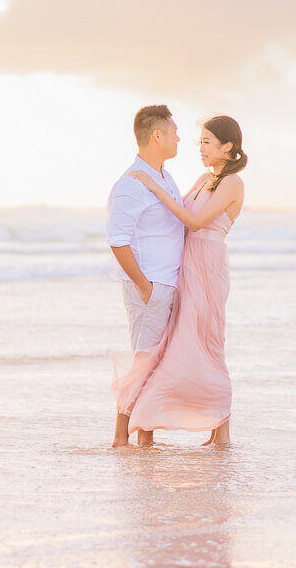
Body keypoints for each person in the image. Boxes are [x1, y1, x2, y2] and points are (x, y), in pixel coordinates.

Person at [115, 115, 247, 446]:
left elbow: (195, 220)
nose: (200, 149)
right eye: (198, 142)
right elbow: (177, 220)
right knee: (180, 345)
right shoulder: (206, 178)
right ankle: (155, 425)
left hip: (208, 269)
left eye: (206, 142)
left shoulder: (233, 183)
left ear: (227, 146)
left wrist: (154, 185)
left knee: (208, 343)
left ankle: (222, 431)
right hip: (186, 267)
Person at [107, 105, 184, 448]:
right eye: (174, 131)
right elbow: (118, 240)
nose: (178, 137)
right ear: (158, 135)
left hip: (168, 284)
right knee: (143, 363)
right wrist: (144, 286)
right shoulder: (130, 185)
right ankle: (121, 437)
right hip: (150, 287)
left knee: (156, 366)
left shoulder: (164, 178)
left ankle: (145, 439)